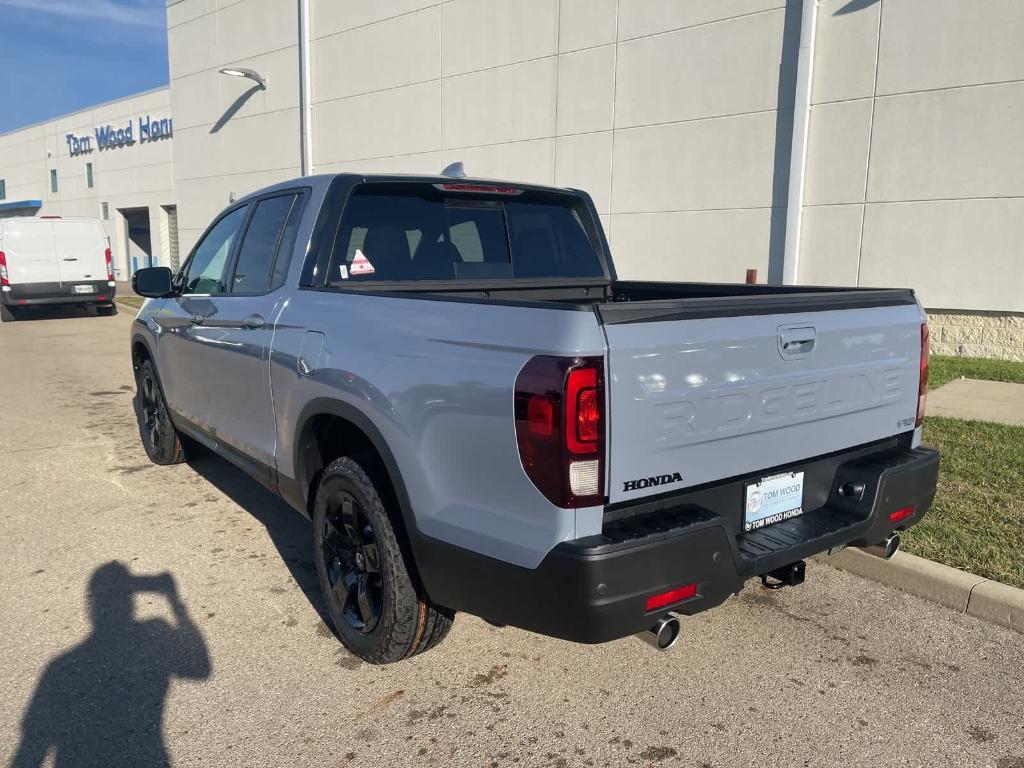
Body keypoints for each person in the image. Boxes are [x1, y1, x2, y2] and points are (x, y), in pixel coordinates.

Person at [11, 561, 211, 768]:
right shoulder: (153, 637)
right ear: (131, 602)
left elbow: (31, 750)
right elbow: (200, 668)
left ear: (93, 606)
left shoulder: (62, 668)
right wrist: (176, 604)